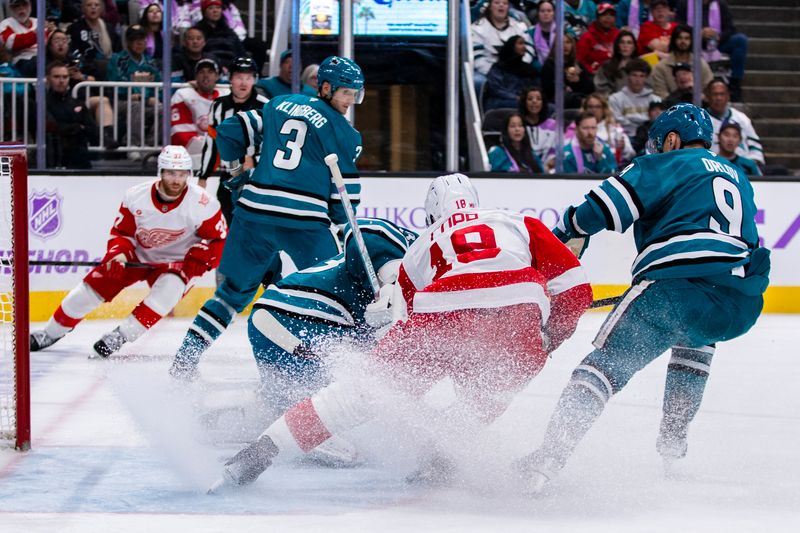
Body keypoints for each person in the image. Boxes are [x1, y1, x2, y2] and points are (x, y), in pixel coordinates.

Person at [210, 173, 593, 491]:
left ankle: (260, 452)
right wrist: (548, 337)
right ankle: (442, 459)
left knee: (359, 395)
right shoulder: (518, 221)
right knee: (485, 397)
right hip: (520, 309)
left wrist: (394, 388)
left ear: (431, 215)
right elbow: (576, 289)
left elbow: (409, 323)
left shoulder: (420, 247)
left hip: (443, 309)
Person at [517, 103, 770, 496]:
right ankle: (672, 446)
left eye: (657, 143)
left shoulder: (663, 164)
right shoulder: (739, 175)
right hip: (739, 299)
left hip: (676, 287)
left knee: (605, 365)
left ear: (671, 139)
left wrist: (563, 229)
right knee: (695, 340)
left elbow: (594, 212)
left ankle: (549, 456)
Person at [169, 56, 365, 380]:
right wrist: (338, 218)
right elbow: (343, 204)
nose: (349, 101)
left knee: (231, 294)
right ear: (327, 88)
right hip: (304, 222)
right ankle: (336, 371)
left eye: (354, 94)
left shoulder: (280, 105)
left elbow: (230, 132)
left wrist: (235, 175)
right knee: (336, 291)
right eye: (346, 93)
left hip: (254, 213)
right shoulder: (346, 134)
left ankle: (186, 359)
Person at [29, 145, 227, 358]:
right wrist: (118, 254)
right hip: (137, 257)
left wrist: (203, 256)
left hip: (178, 263)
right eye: (171, 173)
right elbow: (122, 233)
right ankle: (50, 333)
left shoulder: (203, 204)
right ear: (160, 172)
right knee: (88, 290)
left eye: (181, 174)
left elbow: (219, 240)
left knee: (168, 292)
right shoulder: (136, 196)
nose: (176, 180)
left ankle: (120, 336)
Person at [249, 218, 417, 424]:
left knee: (285, 403)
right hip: (288, 320)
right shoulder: (422, 246)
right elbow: (365, 230)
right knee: (344, 400)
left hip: (280, 319)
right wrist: (389, 278)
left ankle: (255, 415)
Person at [197, 55, 268, 223]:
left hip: (258, 177)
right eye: (239, 77)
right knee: (226, 223)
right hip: (229, 175)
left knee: (255, 226)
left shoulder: (265, 105)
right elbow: (212, 142)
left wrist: (255, 160)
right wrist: (203, 176)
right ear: (230, 79)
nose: (244, 83)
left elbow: (273, 143)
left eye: (248, 77)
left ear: (254, 79)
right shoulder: (218, 106)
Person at [107, 24, 161, 160]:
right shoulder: (117, 59)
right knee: (136, 106)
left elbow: (159, 85)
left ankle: (149, 146)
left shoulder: (151, 63)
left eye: (142, 39)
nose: (139, 43)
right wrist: (128, 94)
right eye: (134, 40)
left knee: (162, 109)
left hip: (146, 102)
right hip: (120, 102)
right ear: (128, 42)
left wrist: (154, 97)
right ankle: (133, 146)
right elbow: (114, 81)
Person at [677, 0, 747, 101]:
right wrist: (697, 32)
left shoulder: (721, 4)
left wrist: (718, 35)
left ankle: (735, 84)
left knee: (740, 40)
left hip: (716, 43)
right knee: (682, 39)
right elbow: (678, 26)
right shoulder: (684, 4)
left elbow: (730, 28)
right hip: (691, 42)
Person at [170, 58, 226, 168]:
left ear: (217, 76)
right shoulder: (183, 96)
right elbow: (180, 134)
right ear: (195, 77)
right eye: (201, 72)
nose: (206, 75)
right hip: (190, 158)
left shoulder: (226, 96)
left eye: (210, 72)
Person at [43, 60, 99, 169]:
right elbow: (54, 127)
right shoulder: (42, 103)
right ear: (48, 79)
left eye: (65, 77)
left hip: (80, 161)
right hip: (53, 161)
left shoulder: (77, 103)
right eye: (57, 77)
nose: (61, 81)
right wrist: (78, 127)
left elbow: (92, 129)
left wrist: (76, 128)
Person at [705, 79, 764, 169]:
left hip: (742, 168)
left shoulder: (742, 118)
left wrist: (751, 164)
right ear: (707, 96)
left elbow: (755, 145)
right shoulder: (700, 119)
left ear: (728, 96)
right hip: (712, 168)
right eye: (715, 94)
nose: (718, 98)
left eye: (722, 94)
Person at [471, 0, 533, 85]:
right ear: (489, 7)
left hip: (519, 72)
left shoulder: (519, 26)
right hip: (492, 74)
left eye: (505, 3)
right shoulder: (477, 28)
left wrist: (521, 66)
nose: (501, 5)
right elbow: (477, 58)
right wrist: (495, 73)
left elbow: (529, 48)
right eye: (497, 3)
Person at [648, 24, 713, 100]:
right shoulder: (661, 67)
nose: (683, 41)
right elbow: (660, 95)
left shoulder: (701, 65)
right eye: (679, 38)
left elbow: (709, 91)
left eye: (687, 38)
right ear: (674, 40)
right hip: (670, 109)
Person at [67, 0, 122, 80]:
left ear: (101, 9)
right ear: (83, 9)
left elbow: (118, 51)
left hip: (109, 70)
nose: (93, 7)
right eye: (89, 5)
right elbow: (73, 53)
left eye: (97, 5)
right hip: (85, 72)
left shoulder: (109, 28)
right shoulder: (75, 28)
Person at [577, 92, 635, 166]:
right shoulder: (576, 128)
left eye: (598, 107)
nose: (594, 110)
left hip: (610, 169)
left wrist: (623, 148)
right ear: (585, 109)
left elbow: (631, 154)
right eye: (590, 106)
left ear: (604, 109)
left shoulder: (615, 130)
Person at [484, 36, 540, 112]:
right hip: (501, 101)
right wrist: (515, 97)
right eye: (520, 43)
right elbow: (495, 89)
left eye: (524, 44)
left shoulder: (529, 70)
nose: (524, 47)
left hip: (525, 101)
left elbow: (535, 87)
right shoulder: (499, 68)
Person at [608, 58, 661, 137]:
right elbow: (617, 121)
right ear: (628, 76)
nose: (638, 79)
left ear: (646, 78)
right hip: (626, 137)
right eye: (634, 75)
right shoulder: (615, 99)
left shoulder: (656, 100)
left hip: (650, 137)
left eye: (641, 76)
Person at [541, 32, 595, 109]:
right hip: (558, 101)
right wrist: (566, 82)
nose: (565, 46)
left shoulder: (577, 65)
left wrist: (578, 81)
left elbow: (590, 88)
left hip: (580, 98)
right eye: (561, 43)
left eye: (568, 42)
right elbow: (548, 89)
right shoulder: (550, 65)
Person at [0, 0, 49, 77]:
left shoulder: (38, 22)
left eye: (24, 5)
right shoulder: (6, 24)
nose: (21, 9)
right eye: (17, 6)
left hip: (42, 59)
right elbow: (11, 43)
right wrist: (35, 34)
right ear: (11, 8)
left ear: (30, 6)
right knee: (37, 63)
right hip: (20, 62)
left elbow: (46, 40)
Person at [194, 0, 245, 70]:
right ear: (204, 12)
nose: (215, 11)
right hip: (209, 68)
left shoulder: (229, 32)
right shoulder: (198, 31)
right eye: (211, 8)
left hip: (231, 68)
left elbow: (241, 52)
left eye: (218, 8)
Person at [518, 86, 557, 165]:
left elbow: (558, 150)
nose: (534, 101)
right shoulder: (517, 125)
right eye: (530, 99)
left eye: (538, 99)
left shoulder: (553, 125)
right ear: (524, 102)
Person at [576, 3, 619, 75]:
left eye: (611, 15)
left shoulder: (619, 35)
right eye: (604, 14)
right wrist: (590, 70)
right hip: (593, 76)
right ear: (597, 18)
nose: (608, 17)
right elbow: (580, 61)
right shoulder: (587, 37)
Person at [593, 30, 639, 96]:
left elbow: (648, 87)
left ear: (634, 47)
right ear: (617, 46)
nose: (625, 46)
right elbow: (601, 89)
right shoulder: (607, 66)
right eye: (622, 42)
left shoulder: (641, 66)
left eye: (629, 43)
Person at [526, 0, 555, 66]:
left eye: (549, 11)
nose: (546, 13)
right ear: (538, 13)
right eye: (542, 11)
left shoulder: (562, 32)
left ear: (554, 13)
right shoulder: (529, 33)